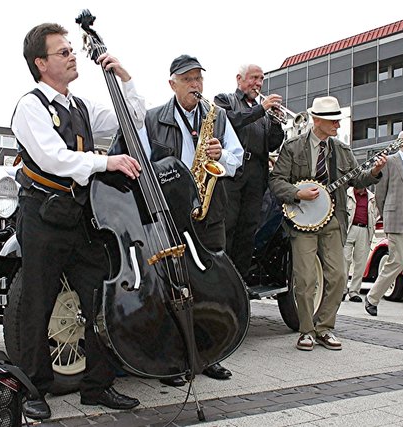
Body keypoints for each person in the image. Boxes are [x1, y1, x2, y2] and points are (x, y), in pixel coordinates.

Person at [10, 23, 145, 419]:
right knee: (38, 302)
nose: (72, 56)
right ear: (40, 63)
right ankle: (34, 387)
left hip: (81, 218)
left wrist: (124, 78)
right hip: (43, 215)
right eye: (63, 51)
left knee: (100, 297)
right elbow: (54, 158)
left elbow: (132, 119)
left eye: (72, 49)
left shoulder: (80, 107)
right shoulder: (31, 106)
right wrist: (107, 161)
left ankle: (96, 386)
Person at [135, 54, 244, 384]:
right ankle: (172, 360)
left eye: (199, 78)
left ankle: (211, 356)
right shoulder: (152, 118)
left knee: (211, 288)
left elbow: (236, 160)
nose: (196, 85)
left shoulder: (217, 117)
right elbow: (139, 161)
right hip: (170, 213)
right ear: (172, 84)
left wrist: (220, 154)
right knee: (169, 287)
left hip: (209, 213)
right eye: (188, 79)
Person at [269, 96, 386, 351]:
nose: (337, 125)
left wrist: (375, 172)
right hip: (302, 222)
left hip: (334, 219)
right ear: (317, 120)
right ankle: (306, 331)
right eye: (332, 121)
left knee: (339, 276)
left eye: (337, 120)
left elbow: (359, 180)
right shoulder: (293, 147)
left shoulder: (342, 151)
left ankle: (324, 327)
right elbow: (277, 181)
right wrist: (297, 194)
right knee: (305, 278)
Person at [213, 64, 284, 280]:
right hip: (233, 173)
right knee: (228, 228)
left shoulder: (261, 111)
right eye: (254, 78)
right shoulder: (224, 100)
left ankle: (240, 283)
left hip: (256, 175)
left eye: (261, 79)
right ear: (239, 79)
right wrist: (261, 109)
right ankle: (221, 280)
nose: (259, 84)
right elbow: (230, 121)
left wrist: (275, 122)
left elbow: (273, 144)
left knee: (248, 232)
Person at [364, 130, 403, 317]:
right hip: (397, 219)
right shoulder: (390, 161)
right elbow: (380, 194)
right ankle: (372, 297)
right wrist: (386, 217)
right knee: (397, 261)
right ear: (402, 141)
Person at [343, 184, 377, 302]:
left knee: (360, 263)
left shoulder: (372, 197)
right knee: (344, 260)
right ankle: (342, 290)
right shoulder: (347, 194)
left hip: (364, 230)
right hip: (349, 228)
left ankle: (354, 291)